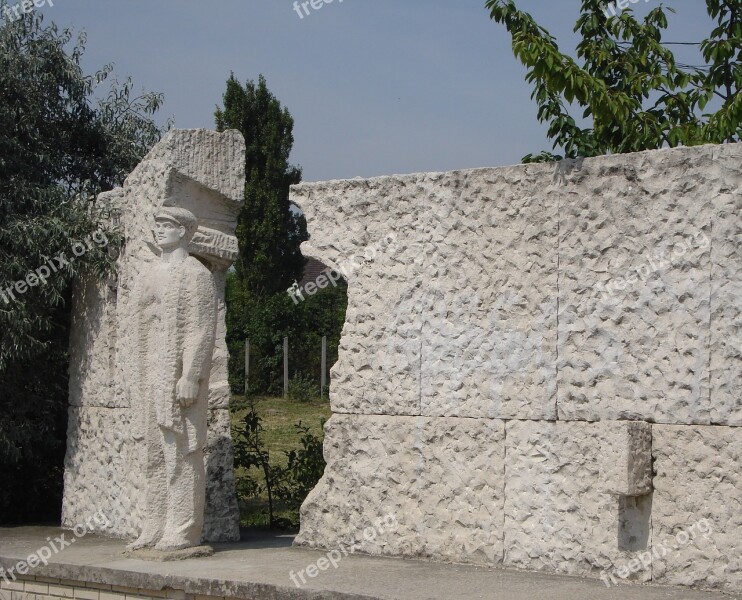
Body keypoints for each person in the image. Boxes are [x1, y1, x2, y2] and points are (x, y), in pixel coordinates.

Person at [127, 206, 217, 551]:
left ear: (184, 231)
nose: (159, 230)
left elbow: (201, 327)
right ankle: (153, 524)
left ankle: (182, 528)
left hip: (177, 376)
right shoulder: (149, 273)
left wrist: (191, 375)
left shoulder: (196, 274)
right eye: (157, 225)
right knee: (152, 452)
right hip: (149, 372)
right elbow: (137, 325)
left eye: (166, 225)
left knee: (181, 450)